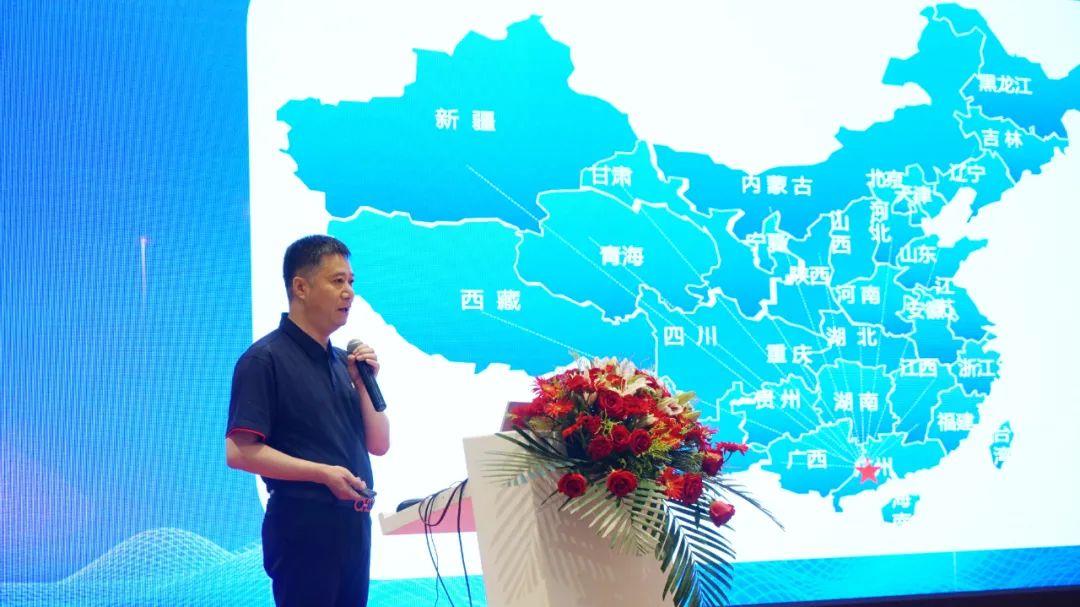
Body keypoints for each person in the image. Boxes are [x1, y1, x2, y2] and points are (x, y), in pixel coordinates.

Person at [225, 235, 390, 607]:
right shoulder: (264, 360)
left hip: (353, 527)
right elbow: (239, 452)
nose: (349, 292)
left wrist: (364, 386)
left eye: (351, 282)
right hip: (303, 526)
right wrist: (322, 474)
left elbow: (379, 445)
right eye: (337, 281)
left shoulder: (344, 362)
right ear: (300, 287)